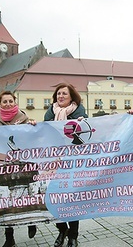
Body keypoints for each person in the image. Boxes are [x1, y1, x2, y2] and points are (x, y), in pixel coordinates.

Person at [0, 91, 37, 247]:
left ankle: (32, 222)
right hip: (7, 167)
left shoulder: (24, 119)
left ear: (15, 102)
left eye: (10, 101)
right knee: (9, 205)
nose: (8, 104)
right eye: (4, 102)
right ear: (0, 104)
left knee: (26, 197)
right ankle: (9, 238)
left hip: (23, 166)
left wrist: (34, 127)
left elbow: (33, 140)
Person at [44, 83, 88, 247]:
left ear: (72, 97)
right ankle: (62, 230)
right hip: (53, 163)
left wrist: (82, 125)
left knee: (72, 200)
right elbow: (42, 135)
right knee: (54, 199)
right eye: (58, 94)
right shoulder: (49, 113)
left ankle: (73, 236)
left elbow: (87, 137)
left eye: (64, 94)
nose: (60, 96)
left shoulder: (80, 114)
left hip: (73, 164)